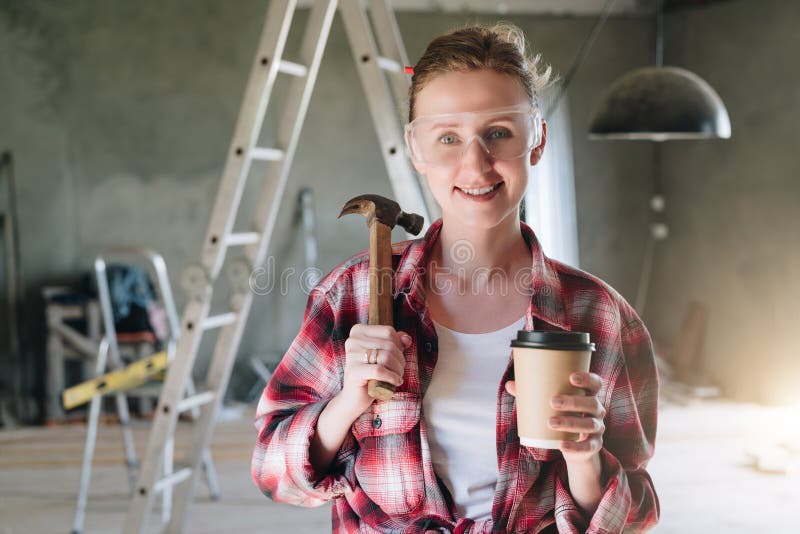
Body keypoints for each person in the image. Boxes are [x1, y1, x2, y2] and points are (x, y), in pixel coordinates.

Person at [252, 23, 659, 534]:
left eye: (498, 134)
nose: (475, 163)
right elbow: (274, 473)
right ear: (416, 149)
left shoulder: (600, 316)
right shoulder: (351, 296)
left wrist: (584, 459)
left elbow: (635, 516)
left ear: (537, 139)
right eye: (448, 137)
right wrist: (346, 402)